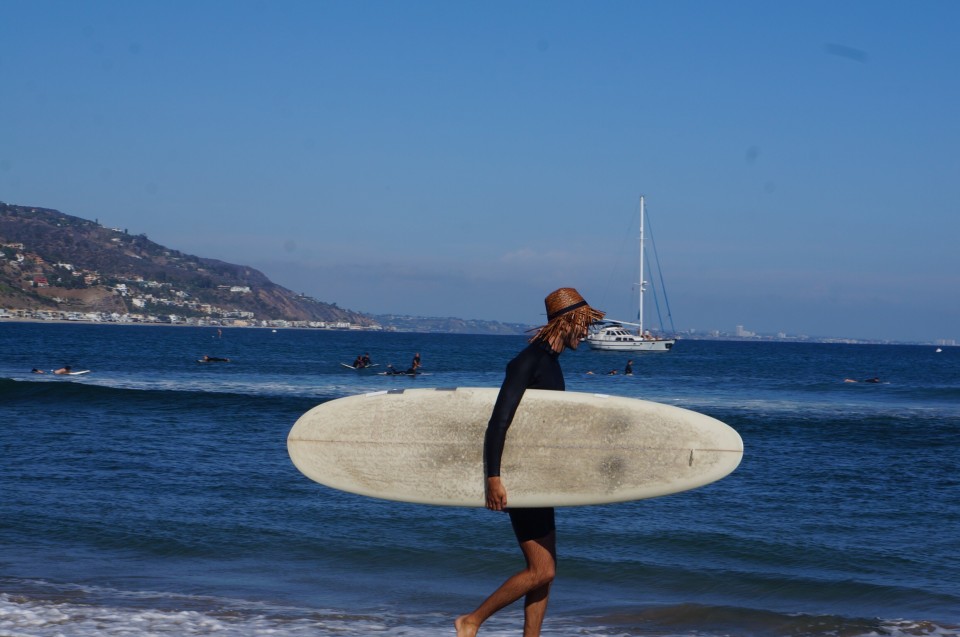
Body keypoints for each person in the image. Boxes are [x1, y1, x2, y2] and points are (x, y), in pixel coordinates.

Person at [455, 287, 604, 637]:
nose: (586, 333)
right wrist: (494, 477)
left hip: (540, 479)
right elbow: (499, 422)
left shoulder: (551, 363)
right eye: (583, 325)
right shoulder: (528, 362)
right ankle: (471, 620)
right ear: (566, 321)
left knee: (545, 568)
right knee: (543, 570)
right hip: (520, 480)